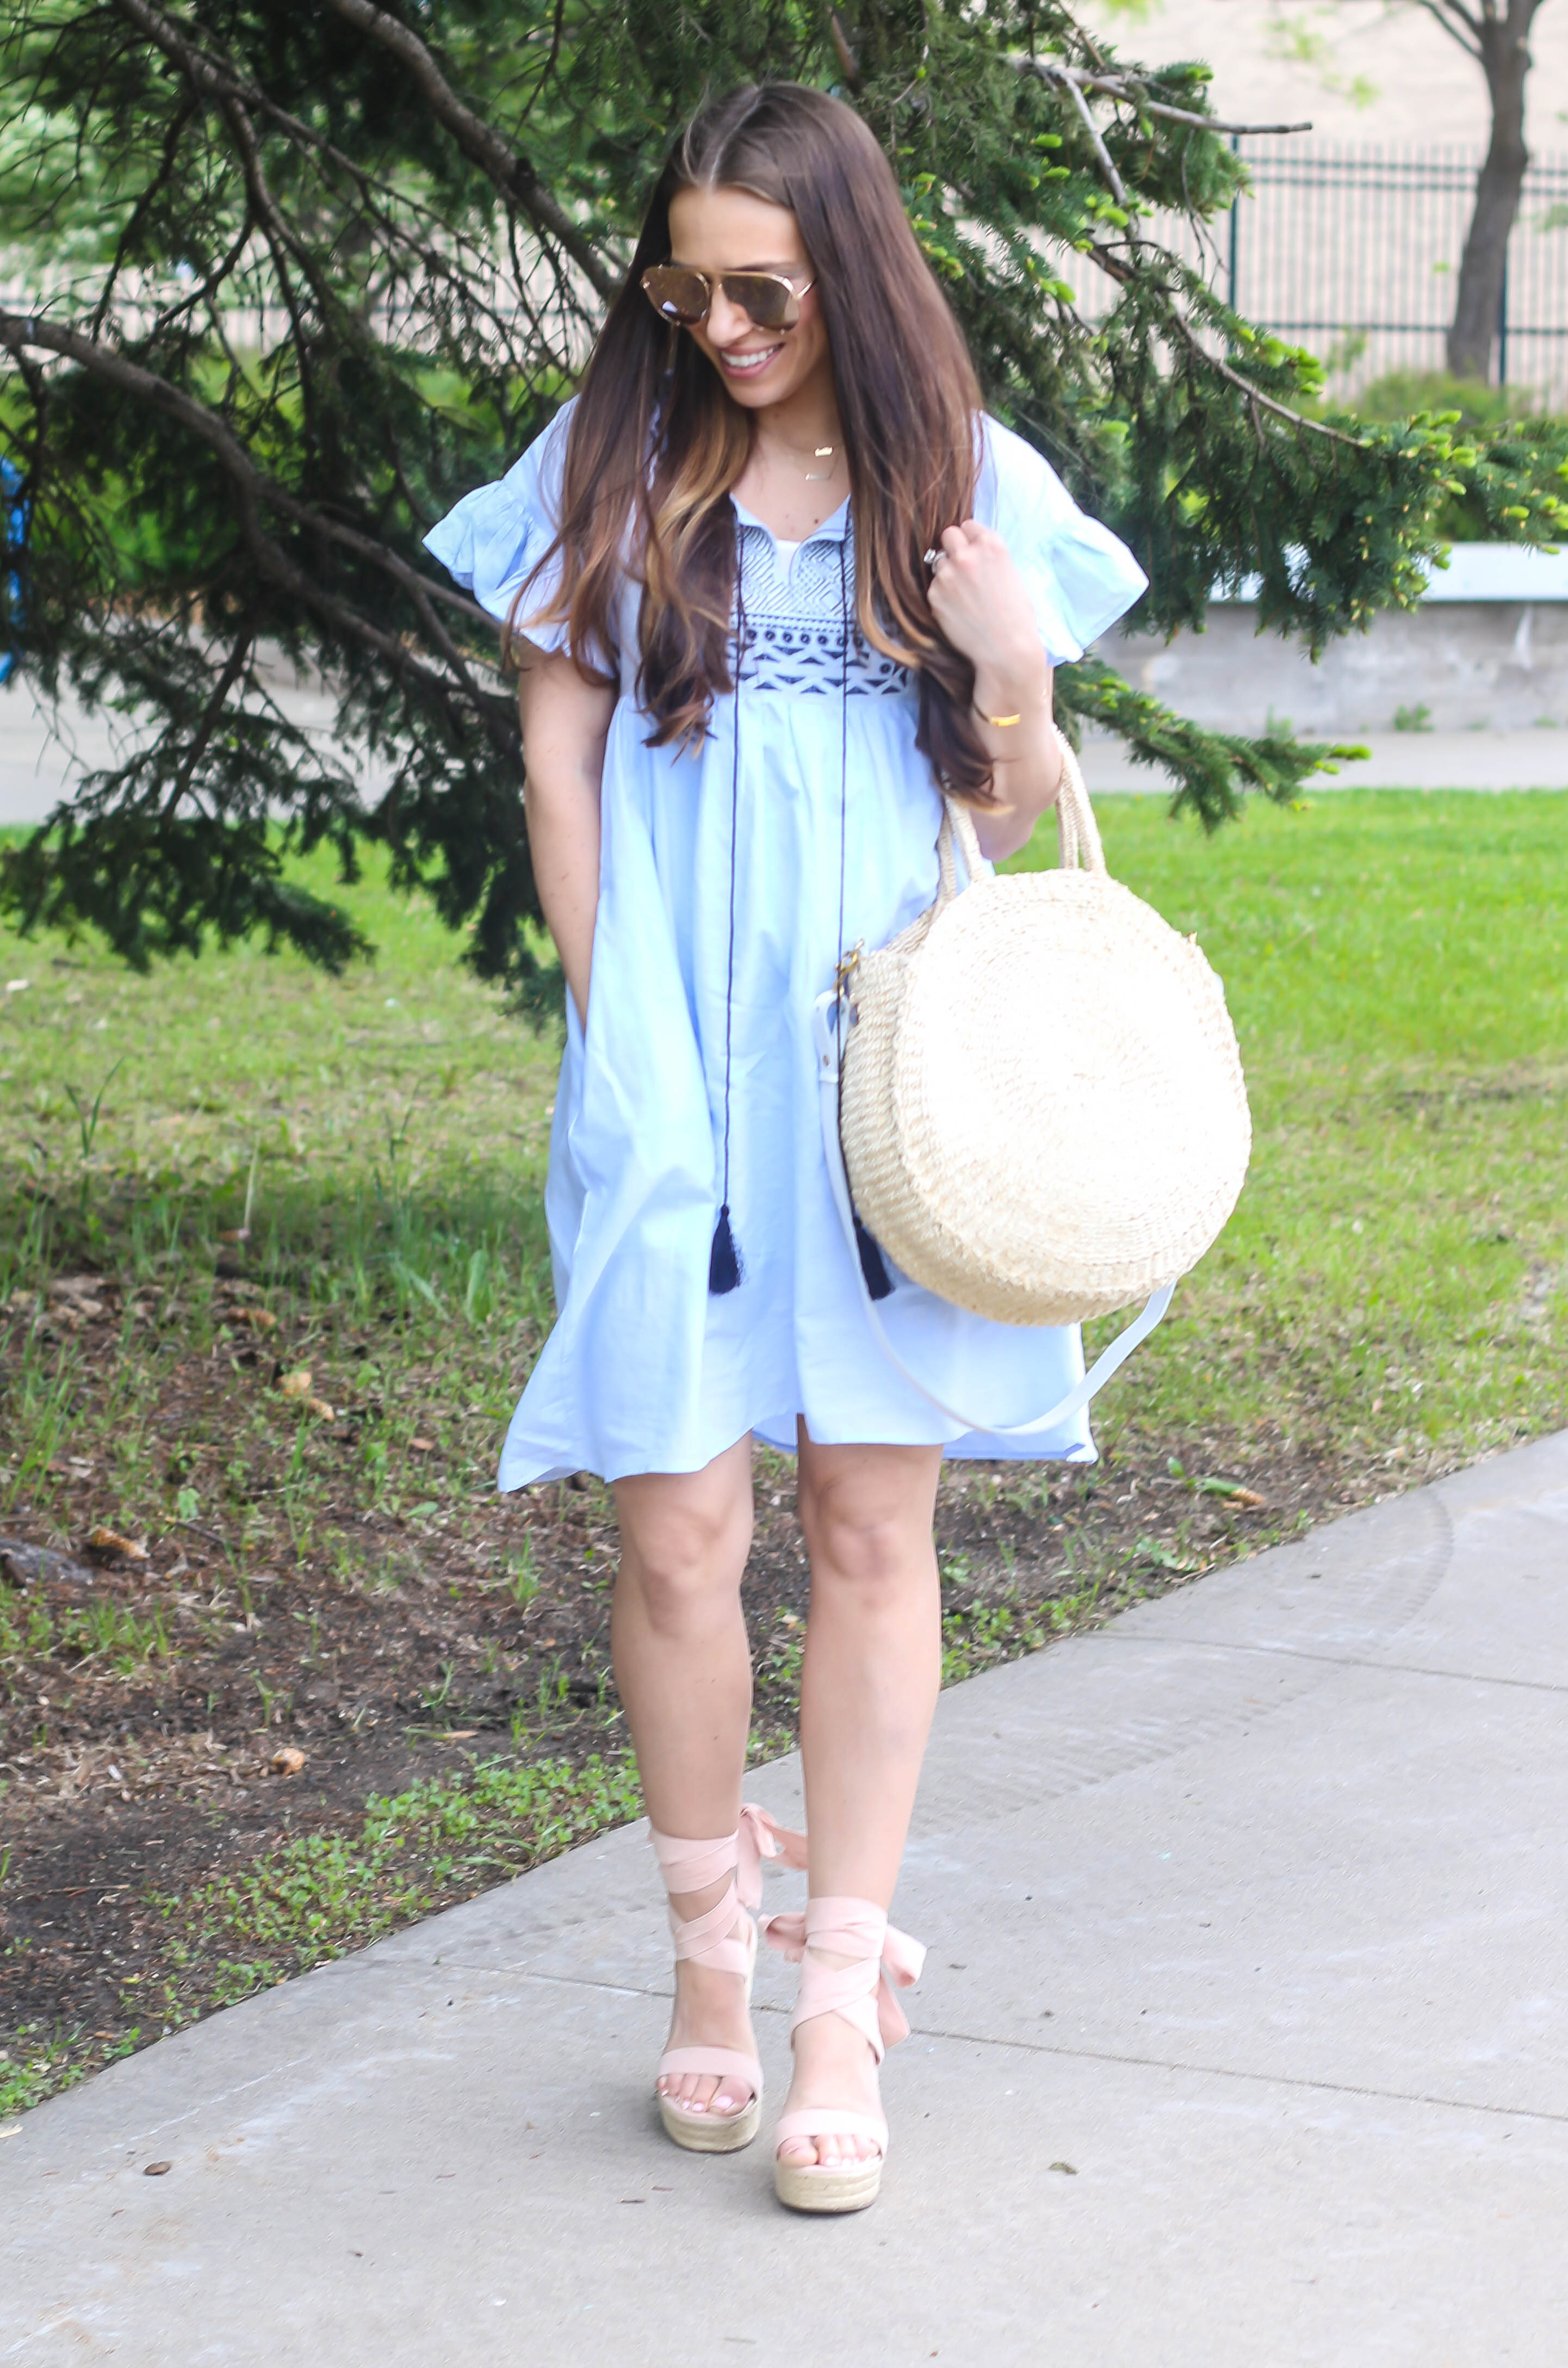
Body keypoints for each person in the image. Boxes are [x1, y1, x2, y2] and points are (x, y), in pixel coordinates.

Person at [425, 79, 1146, 2215]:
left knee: (864, 1522)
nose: (722, 328)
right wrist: (614, 1045)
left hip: (886, 1073)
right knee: (671, 1527)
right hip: (672, 1057)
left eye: (764, 291)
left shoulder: (962, 476)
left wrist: (1011, 667)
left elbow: (999, 804)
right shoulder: (613, 459)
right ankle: (703, 1961)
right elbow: (559, 768)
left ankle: (837, 1997)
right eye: (685, 289)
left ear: (851, 269)